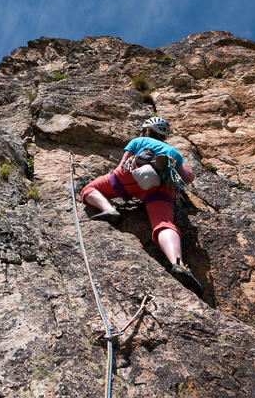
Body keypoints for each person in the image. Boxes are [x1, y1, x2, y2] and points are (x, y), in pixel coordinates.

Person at [81, 116, 202, 295]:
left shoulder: (139, 140)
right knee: (163, 224)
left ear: (146, 129)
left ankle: (109, 209)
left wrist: (119, 185)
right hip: (158, 189)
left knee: (89, 188)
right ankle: (178, 264)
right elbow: (189, 176)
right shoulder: (173, 151)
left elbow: (122, 164)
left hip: (128, 178)